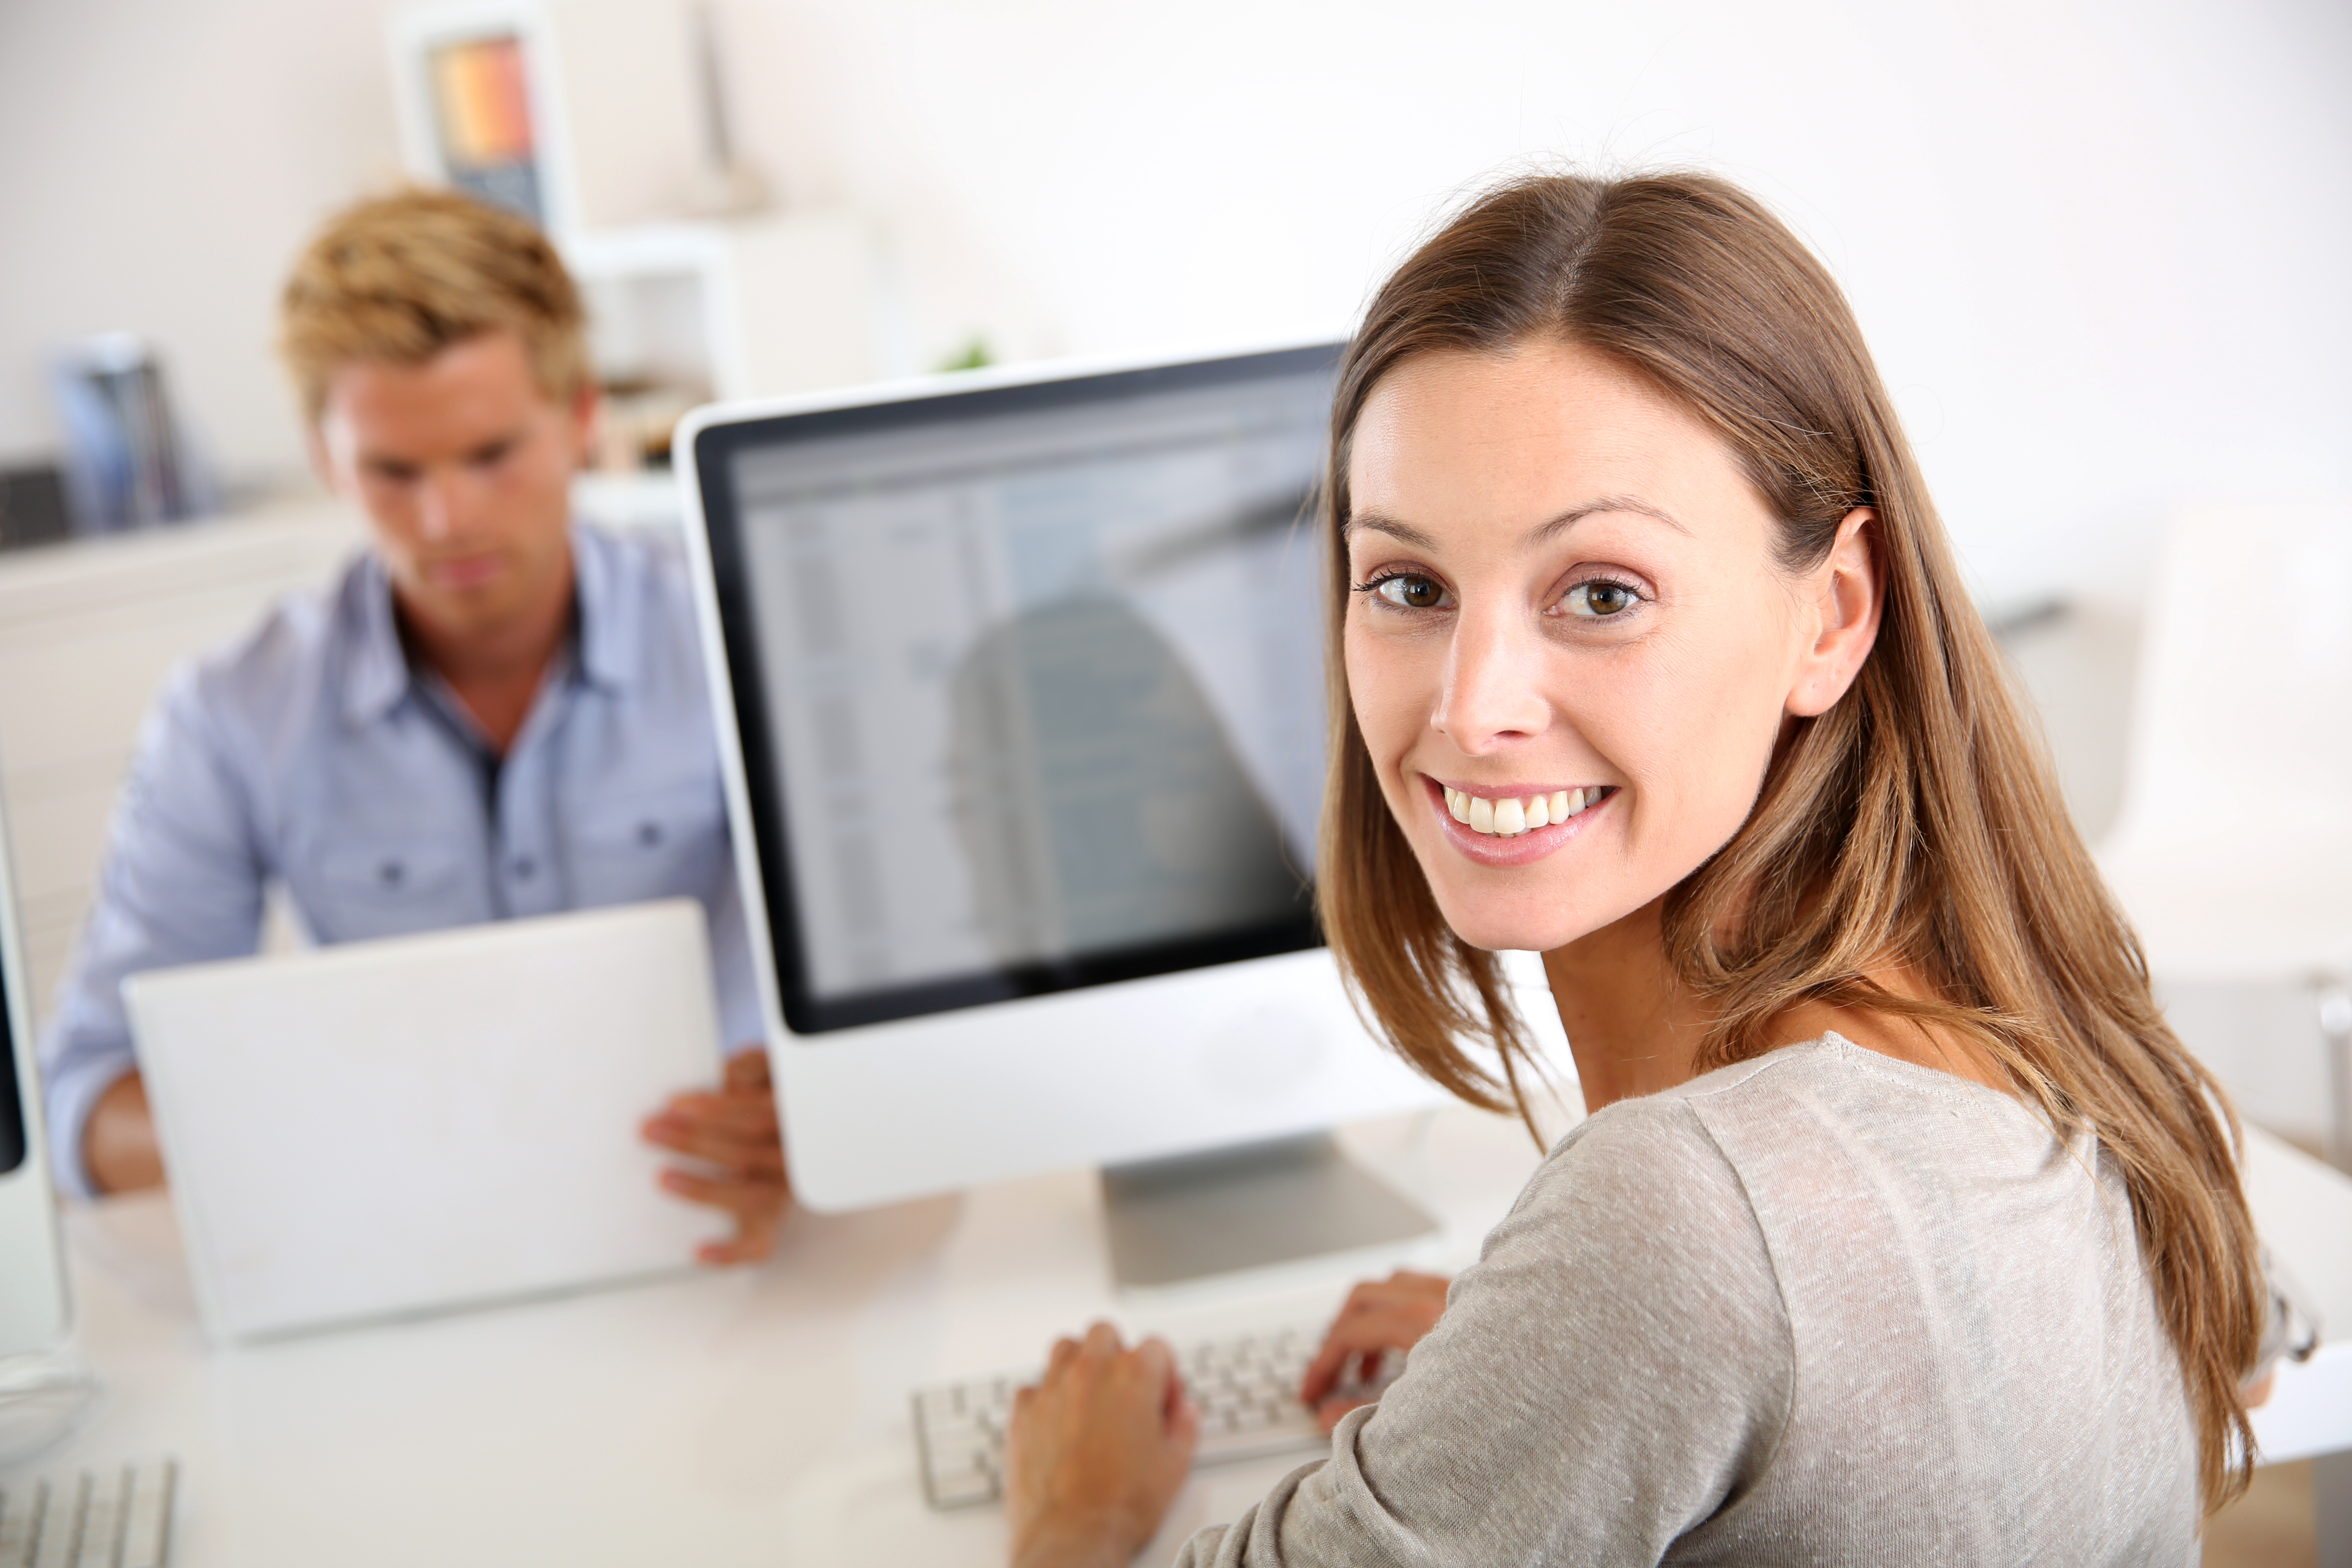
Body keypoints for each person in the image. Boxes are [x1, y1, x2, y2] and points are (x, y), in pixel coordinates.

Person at [1000, 172, 2292, 1564]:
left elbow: (1719, 1269)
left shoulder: (1683, 1220)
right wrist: (1576, 1378)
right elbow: (2257, 1336)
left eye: (1603, 593)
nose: (1470, 705)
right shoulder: (2033, 1025)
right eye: (1409, 586)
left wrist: (1079, 1509)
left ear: (1833, 615)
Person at [37, 189, 788, 1264]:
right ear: (326, 456)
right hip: (407, 1249)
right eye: (395, 471)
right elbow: (86, 1102)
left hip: (727, 1236)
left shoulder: (744, 640)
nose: (449, 521)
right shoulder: (230, 715)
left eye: (492, 455)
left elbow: (905, 992)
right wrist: (335, 1132)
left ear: (581, 419)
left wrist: (812, 1108)